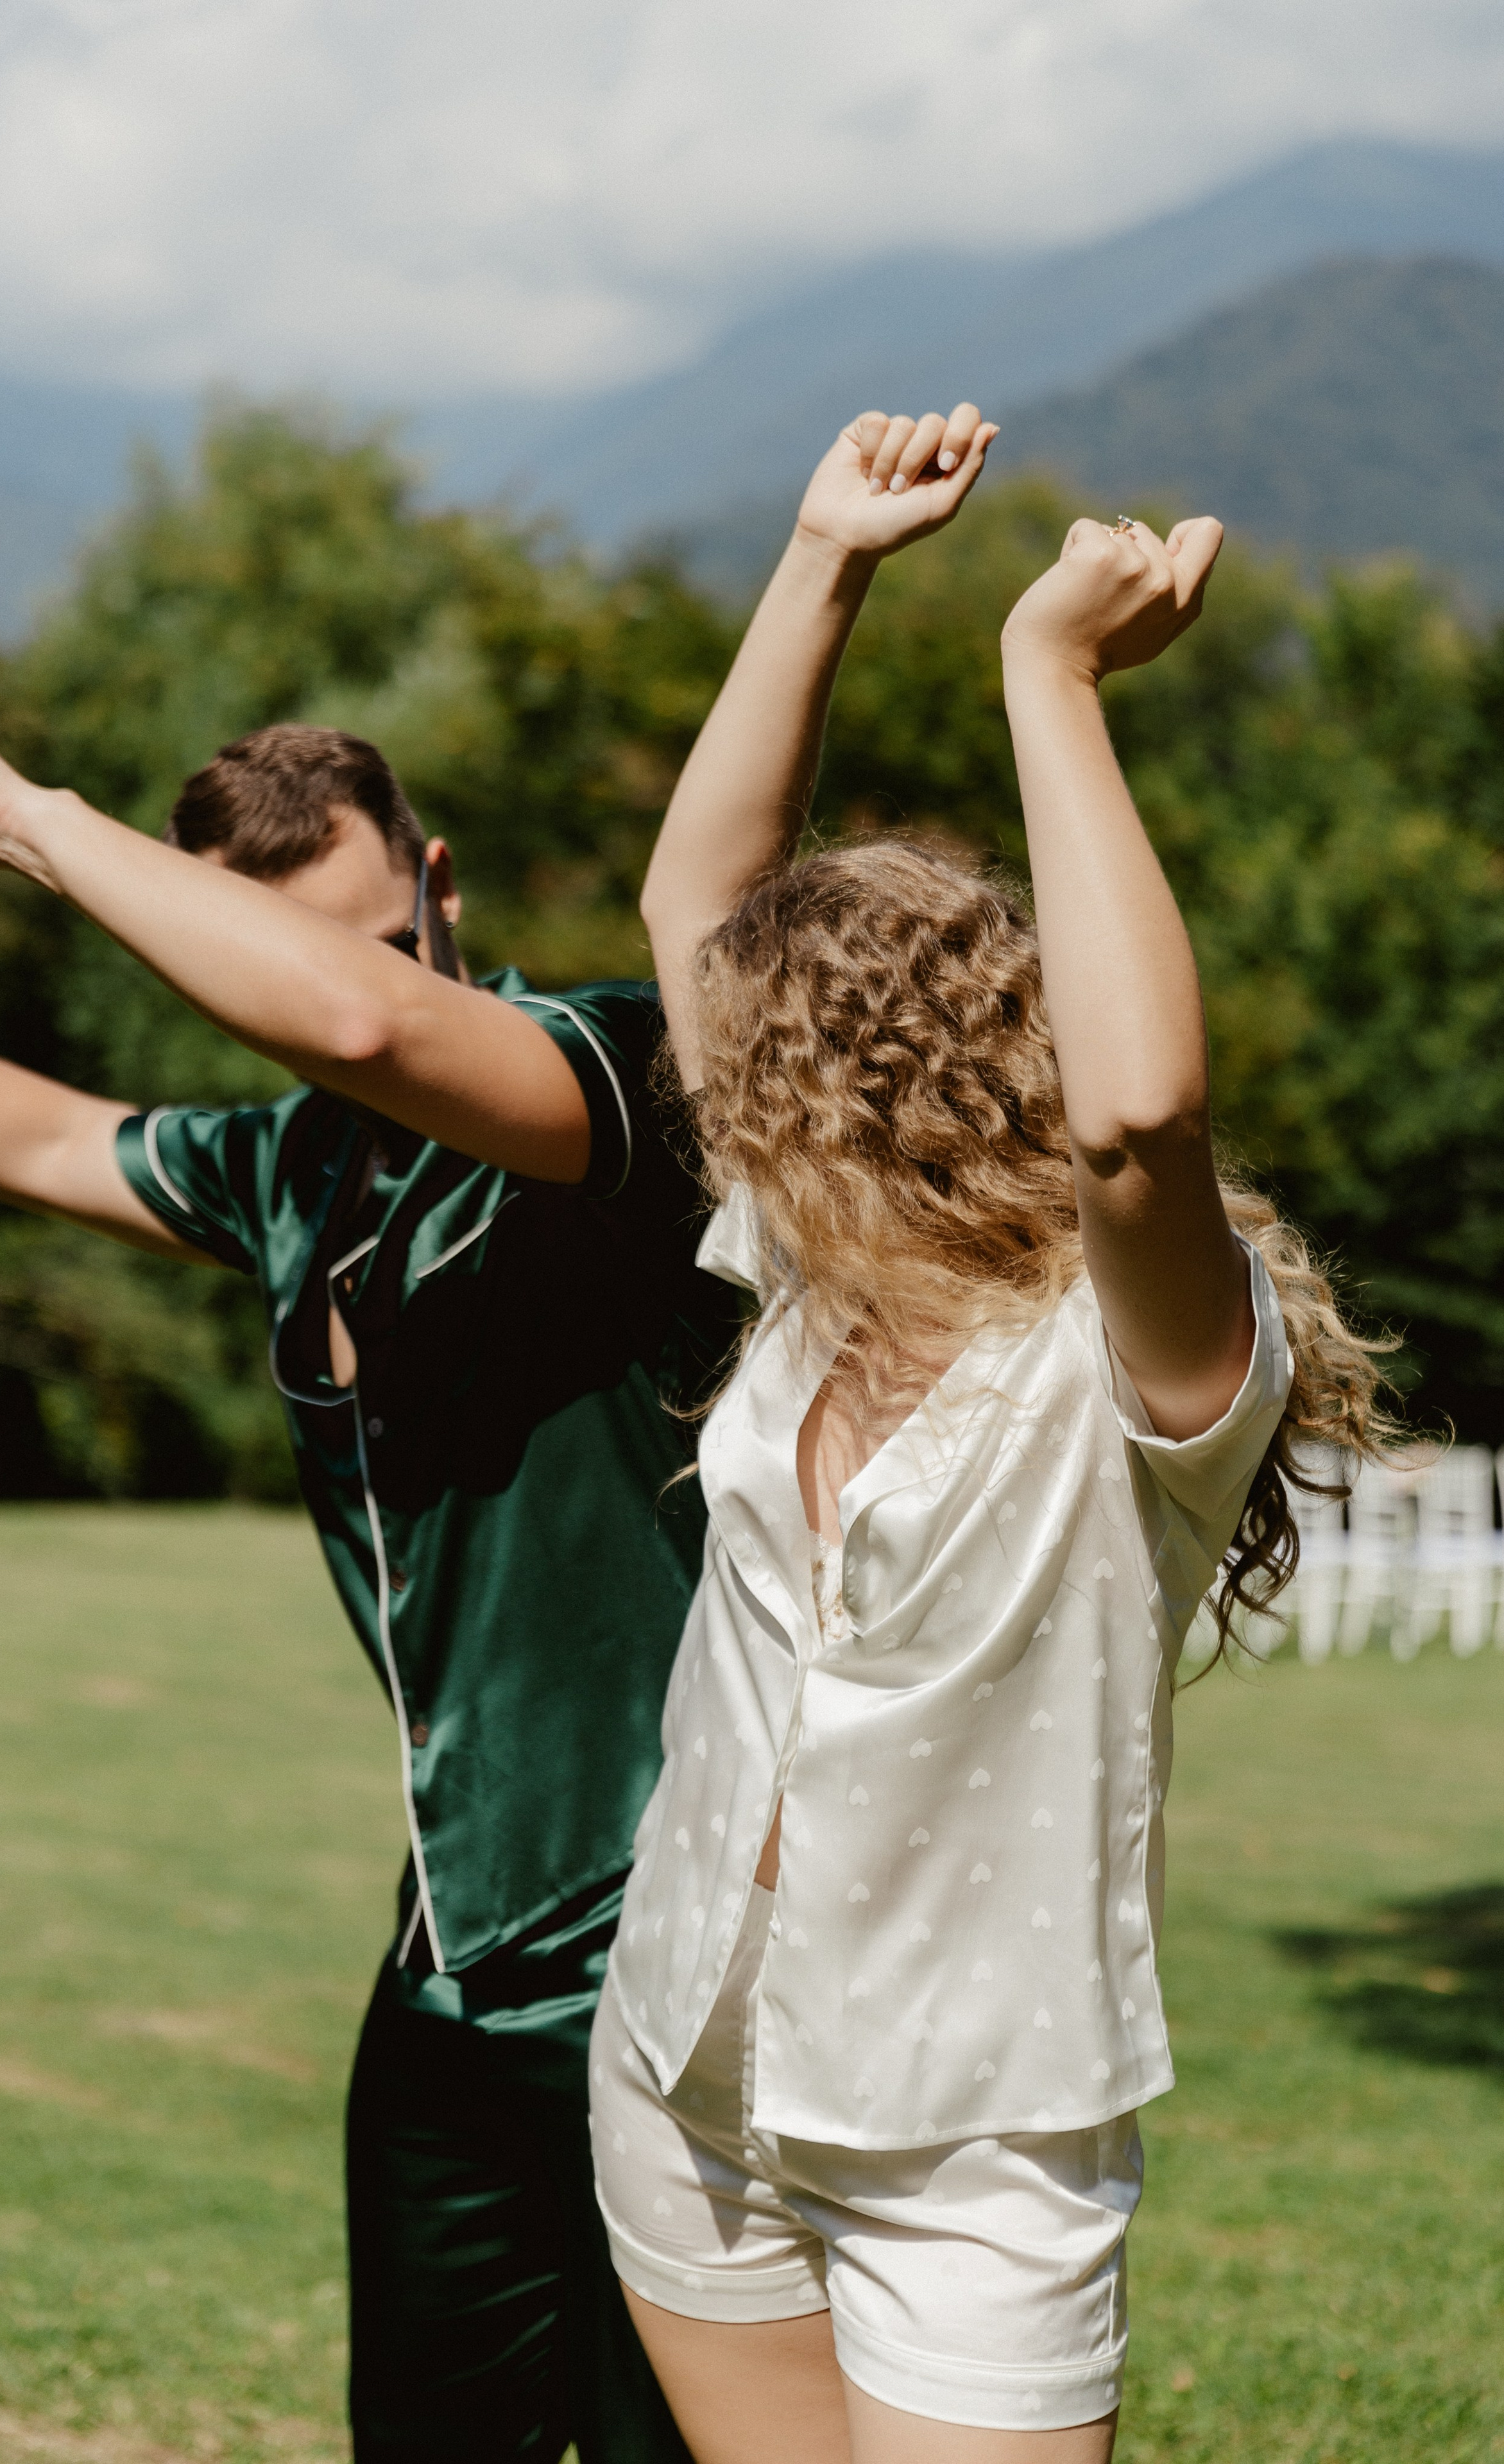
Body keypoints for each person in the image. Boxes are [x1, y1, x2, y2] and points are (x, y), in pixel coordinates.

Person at [0, 397, 1000, 2463]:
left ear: (440, 889)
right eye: (263, 965)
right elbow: (33, 1126)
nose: (323, 1003)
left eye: (363, 937)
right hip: (461, 1982)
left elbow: (379, 1025)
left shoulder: (613, 1086)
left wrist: (34, 819)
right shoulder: (295, 1170)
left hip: (699, 1995)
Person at [588, 501, 1391, 2461]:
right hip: (686, 2053)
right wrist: (824, 557)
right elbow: (699, 886)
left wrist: (1055, 671)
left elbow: (1139, 1115)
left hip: (972, 2142)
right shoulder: (806, 1263)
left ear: (832, 1091)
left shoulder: (1138, 1359)